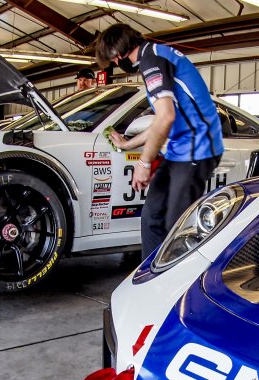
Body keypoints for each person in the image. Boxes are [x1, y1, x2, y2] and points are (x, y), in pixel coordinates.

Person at [95, 23, 224, 259]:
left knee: (176, 228)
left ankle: (182, 277)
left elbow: (165, 118)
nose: (114, 64)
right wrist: (127, 144)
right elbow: (161, 121)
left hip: (198, 148)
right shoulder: (154, 55)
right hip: (179, 150)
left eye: (112, 59)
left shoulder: (151, 60)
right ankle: (152, 275)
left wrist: (144, 163)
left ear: (118, 52)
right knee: (152, 217)